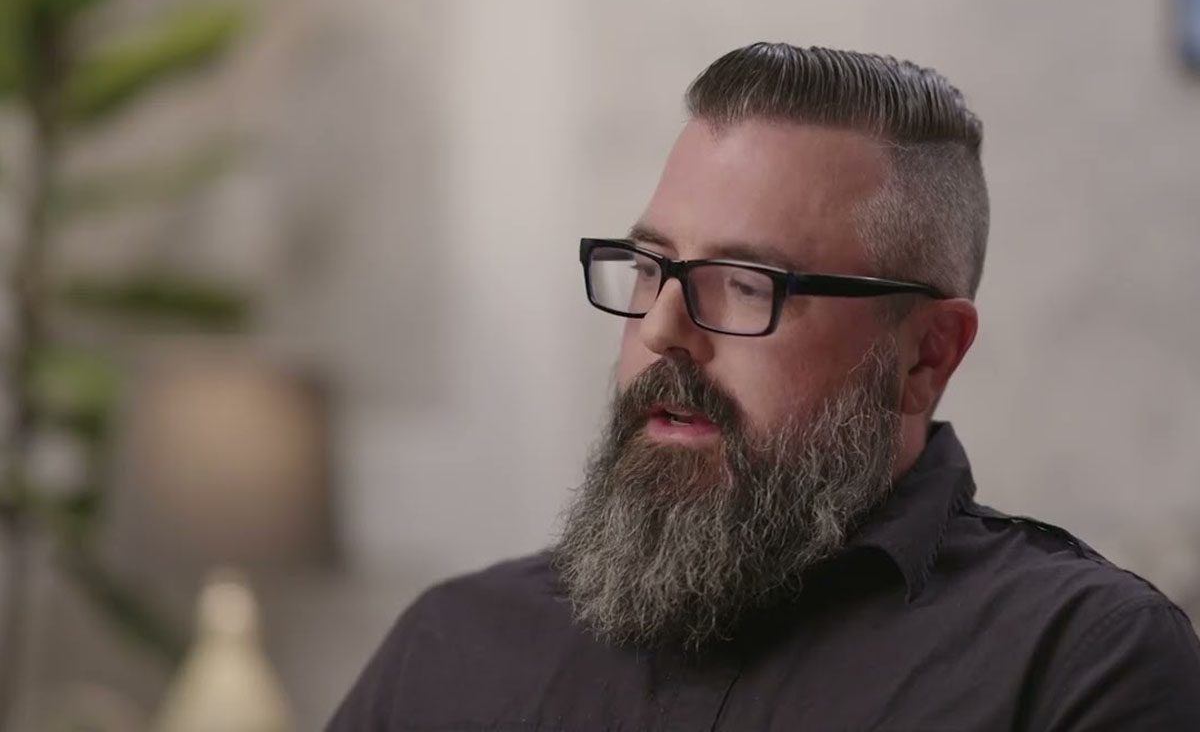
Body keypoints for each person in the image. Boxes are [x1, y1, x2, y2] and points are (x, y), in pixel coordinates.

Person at [328, 43, 1200, 730]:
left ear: (926, 354)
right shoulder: (453, 648)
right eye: (650, 268)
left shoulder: (1077, 664)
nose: (662, 329)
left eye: (745, 284)